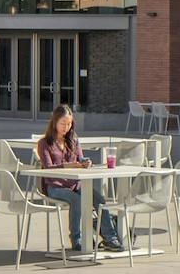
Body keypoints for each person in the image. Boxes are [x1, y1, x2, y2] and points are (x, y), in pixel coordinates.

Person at [36, 105, 123, 253]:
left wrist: (86, 162)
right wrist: (66, 166)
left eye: (69, 124)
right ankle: (77, 239)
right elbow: (48, 168)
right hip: (55, 187)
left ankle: (110, 238)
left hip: (75, 185)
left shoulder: (74, 140)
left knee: (99, 199)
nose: (66, 127)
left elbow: (81, 158)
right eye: (63, 124)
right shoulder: (44, 143)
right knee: (77, 201)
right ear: (54, 122)